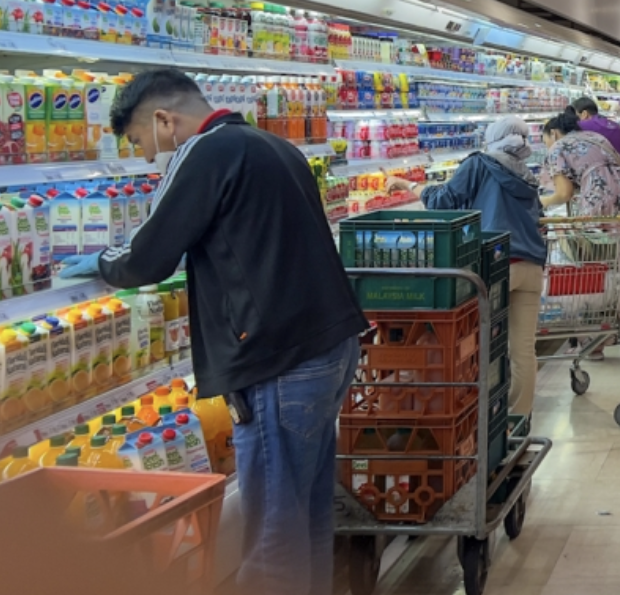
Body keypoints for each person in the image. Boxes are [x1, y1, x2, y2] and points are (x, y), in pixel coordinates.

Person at [57, 68, 367, 595]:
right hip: (328, 349)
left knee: (272, 541)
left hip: (277, 362)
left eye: (140, 141)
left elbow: (148, 256)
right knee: (308, 520)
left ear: (165, 120)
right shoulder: (274, 146)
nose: (147, 157)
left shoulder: (204, 151)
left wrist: (104, 261)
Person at [387, 117, 545, 421]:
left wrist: (408, 185)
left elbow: (443, 201)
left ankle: (482, 420)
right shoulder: (526, 173)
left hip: (496, 265)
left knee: (479, 345)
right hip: (531, 267)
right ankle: (518, 420)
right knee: (523, 350)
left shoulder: (479, 163)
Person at [540, 109, 620, 358]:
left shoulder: (559, 147)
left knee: (599, 269)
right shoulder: (597, 138)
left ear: (554, 133)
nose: (547, 146)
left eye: (546, 141)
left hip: (601, 202)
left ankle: (595, 343)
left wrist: (540, 203)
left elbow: (563, 193)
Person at [572, 96, 620, 164]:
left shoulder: (581, 125)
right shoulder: (616, 126)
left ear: (584, 114)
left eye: (576, 116)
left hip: (597, 168)